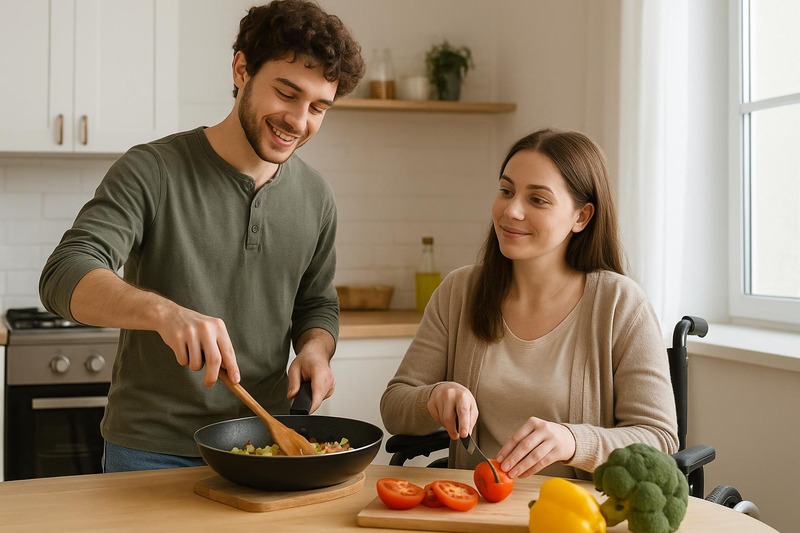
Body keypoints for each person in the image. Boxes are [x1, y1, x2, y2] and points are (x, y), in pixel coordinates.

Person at [39, 0, 365, 472]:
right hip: (150, 450)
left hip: (264, 444)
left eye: (318, 107)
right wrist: (163, 313)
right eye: (287, 93)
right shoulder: (152, 169)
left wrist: (315, 351)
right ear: (241, 69)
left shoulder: (316, 196)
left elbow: (316, 304)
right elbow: (64, 273)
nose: (299, 120)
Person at [380, 128, 678, 482]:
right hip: (474, 511)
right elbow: (394, 406)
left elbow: (659, 440)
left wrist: (573, 441)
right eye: (506, 191)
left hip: (575, 517)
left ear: (581, 217)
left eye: (537, 200)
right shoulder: (459, 291)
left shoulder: (621, 305)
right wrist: (433, 397)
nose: (511, 210)